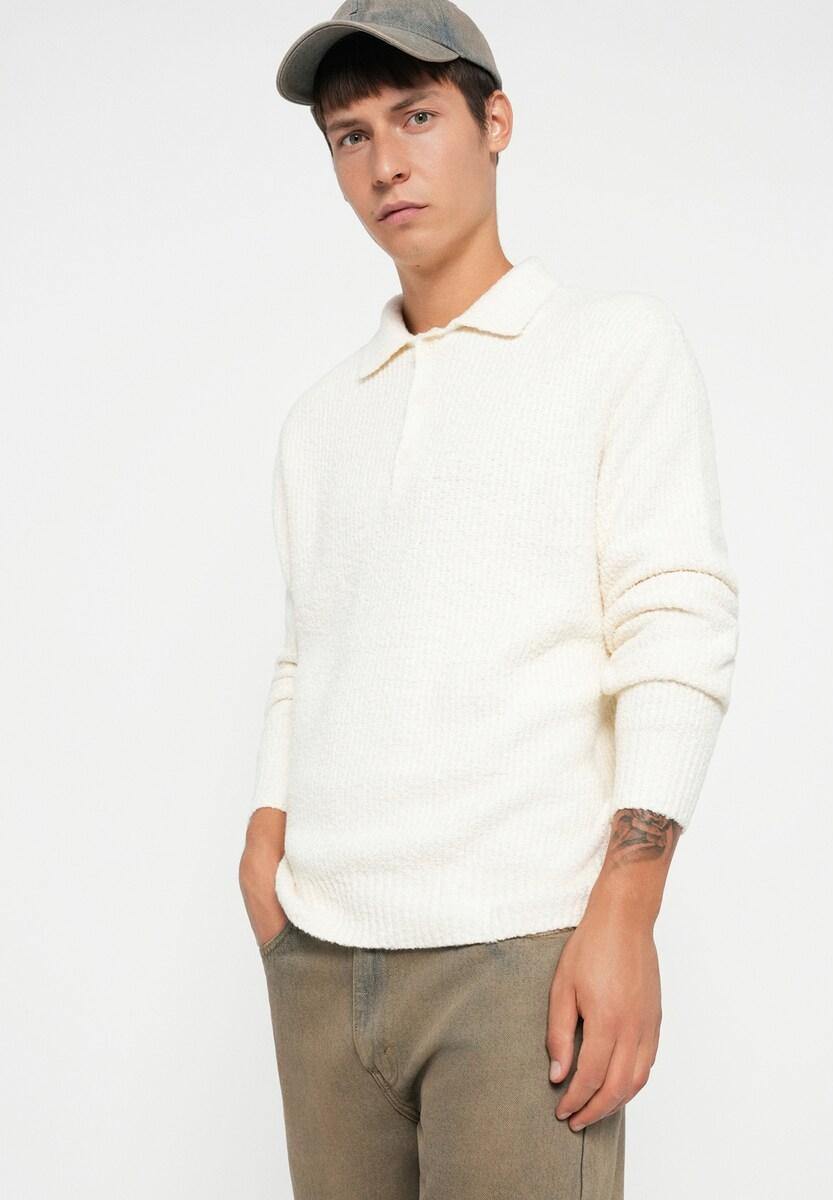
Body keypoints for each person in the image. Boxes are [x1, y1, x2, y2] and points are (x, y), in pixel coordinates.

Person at [238, 3, 740, 1196]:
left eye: (416, 117)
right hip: (320, 959)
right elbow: (311, 649)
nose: (385, 163)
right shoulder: (322, 418)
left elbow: (675, 624)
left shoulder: (613, 349)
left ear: (495, 120)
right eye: (351, 136)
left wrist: (627, 911)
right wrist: (266, 833)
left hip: (520, 955)